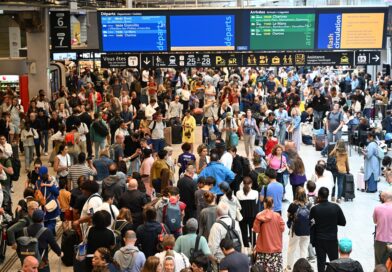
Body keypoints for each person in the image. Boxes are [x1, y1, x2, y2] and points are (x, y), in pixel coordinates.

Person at [310, 187, 346, 272]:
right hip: (332, 239)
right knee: (334, 263)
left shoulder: (315, 209)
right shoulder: (335, 207)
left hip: (319, 239)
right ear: (328, 195)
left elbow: (310, 222)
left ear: (319, 196)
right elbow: (343, 222)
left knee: (321, 263)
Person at [253, 197, 285, 272]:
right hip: (276, 248)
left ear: (264, 204)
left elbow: (256, 230)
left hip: (262, 248)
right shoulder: (277, 216)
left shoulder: (259, 216)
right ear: (273, 204)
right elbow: (282, 229)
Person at [285, 187, 311, 271]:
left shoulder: (293, 205)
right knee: (304, 249)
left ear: (296, 194)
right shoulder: (309, 204)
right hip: (307, 229)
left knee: (291, 248)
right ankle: (304, 268)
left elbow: (288, 215)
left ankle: (289, 266)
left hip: (295, 230)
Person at [236, 176, 258, 249]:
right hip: (252, 215)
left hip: (242, 215)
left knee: (243, 231)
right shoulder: (255, 193)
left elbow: (238, 205)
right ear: (251, 184)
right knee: (253, 230)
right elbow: (256, 202)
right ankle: (253, 245)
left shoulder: (238, 193)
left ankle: (245, 246)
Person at [373, 190, 392, 265]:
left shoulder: (377, 208)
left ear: (383, 198)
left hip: (380, 240)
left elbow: (375, 221)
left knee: (379, 263)